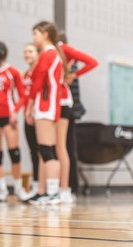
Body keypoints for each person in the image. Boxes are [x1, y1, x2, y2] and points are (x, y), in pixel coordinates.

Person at [25, 21, 67, 205]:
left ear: (45, 34)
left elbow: (38, 81)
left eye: (36, 33)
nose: (33, 37)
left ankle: (52, 192)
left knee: (47, 150)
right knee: (45, 150)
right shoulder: (54, 54)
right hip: (50, 105)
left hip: (45, 106)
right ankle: (45, 192)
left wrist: (30, 104)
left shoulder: (48, 54)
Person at [58, 30, 99, 200]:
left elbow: (92, 62)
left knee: (67, 147)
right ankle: (64, 187)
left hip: (69, 106)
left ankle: (70, 187)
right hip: (66, 105)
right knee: (64, 147)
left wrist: (74, 75)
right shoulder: (62, 57)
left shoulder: (64, 51)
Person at [0, 42, 31, 202]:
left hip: (9, 116)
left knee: (14, 153)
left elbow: (23, 95)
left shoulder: (12, 71)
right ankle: (2, 189)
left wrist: (15, 111)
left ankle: (18, 188)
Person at [18, 43, 40, 197]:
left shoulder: (39, 71)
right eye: (25, 52)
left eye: (30, 51)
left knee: (43, 151)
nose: (27, 54)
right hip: (27, 116)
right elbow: (24, 96)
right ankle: (36, 185)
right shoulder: (25, 74)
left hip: (39, 115)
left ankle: (44, 185)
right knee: (33, 151)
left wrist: (32, 111)